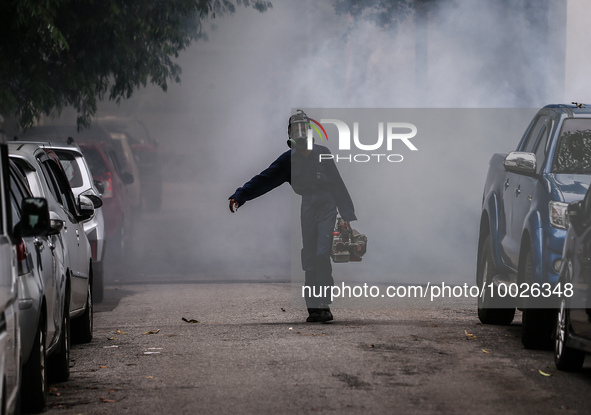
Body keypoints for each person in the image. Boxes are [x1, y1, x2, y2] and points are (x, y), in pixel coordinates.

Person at [228, 109, 357, 323]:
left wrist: (347, 217)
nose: (300, 133)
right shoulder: (288, 160)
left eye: (303, 128)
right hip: (308, 208)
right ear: (290, 135)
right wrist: (241, 195)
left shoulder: (323, 153)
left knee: (322, 254)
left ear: (310, 131)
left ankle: (324, 304)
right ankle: (313, 308)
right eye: (295, 129)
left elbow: (338, 185)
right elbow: (265, 179)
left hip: (327, 207)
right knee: (310, 257)